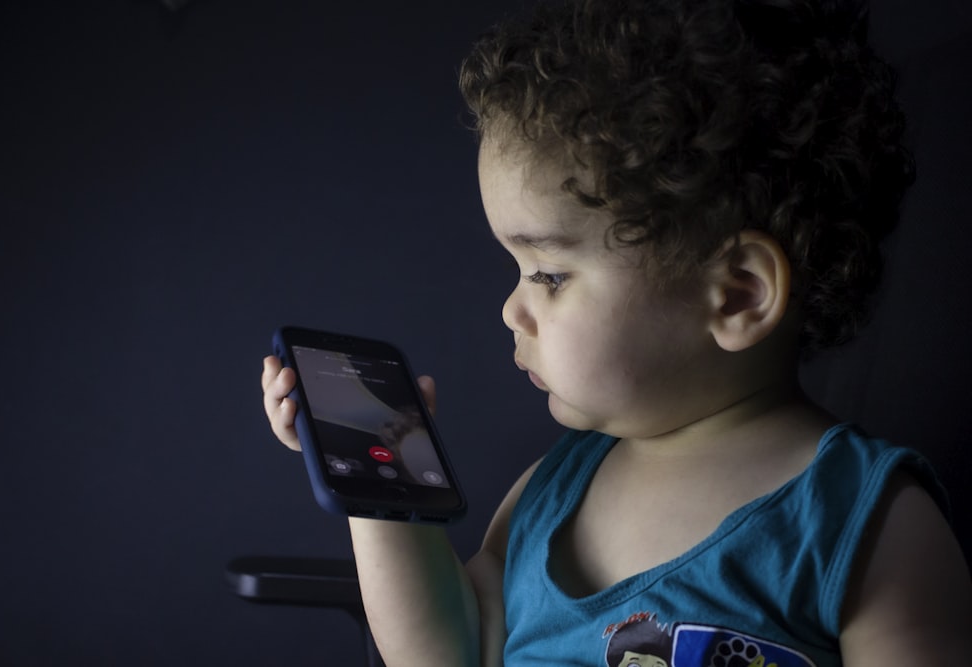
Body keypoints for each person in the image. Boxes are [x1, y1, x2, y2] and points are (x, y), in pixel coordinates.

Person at [262, 0, 972, 664]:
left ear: (737, 294)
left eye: (548, 274)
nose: (512, 309)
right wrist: (377, 493)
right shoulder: (550, 491)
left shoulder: (868, 523)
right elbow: (449, 646)